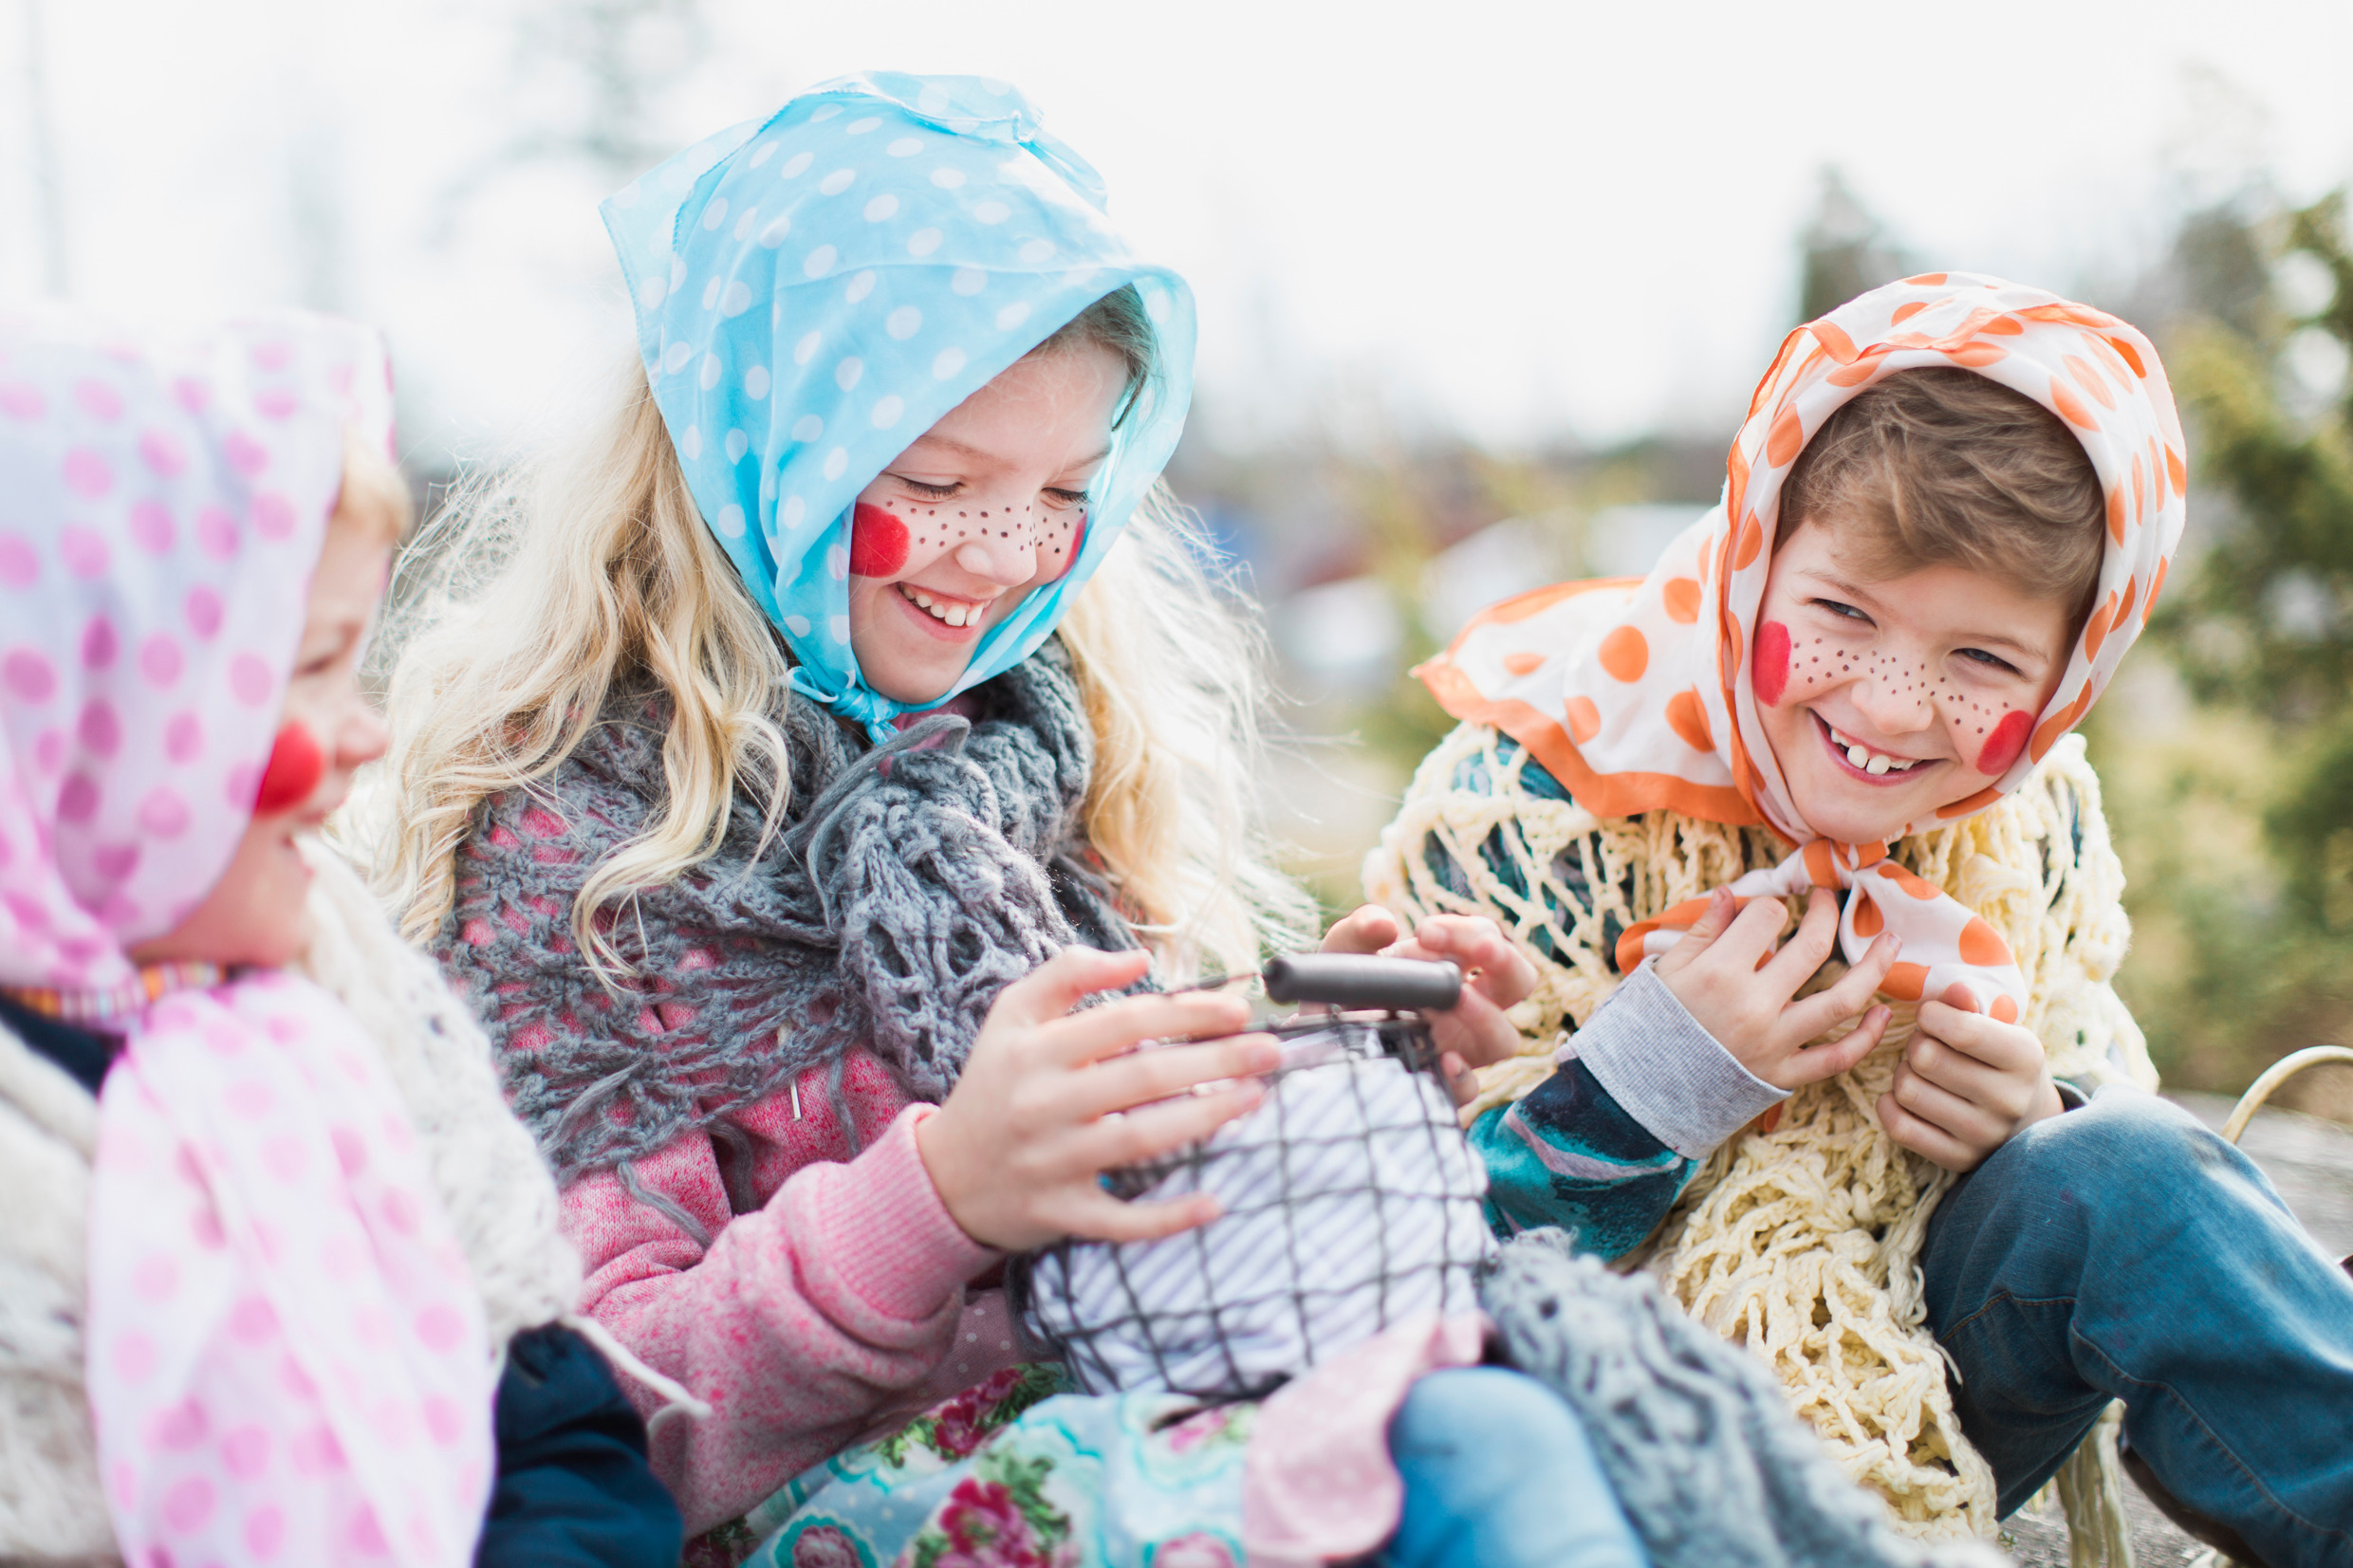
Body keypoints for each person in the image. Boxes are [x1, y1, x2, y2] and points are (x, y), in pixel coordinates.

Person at [371, 73, 1650, 1568]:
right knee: (1485, 1441)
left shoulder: (1035, 759)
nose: (1004, 557)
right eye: (935, 482)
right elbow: (595, 1410)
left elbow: (1148, 1198)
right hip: (853, 1514)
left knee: (1548, 1409)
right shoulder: (576, 852)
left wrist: (1303, 1063)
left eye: (1064, 495)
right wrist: (943, 1194)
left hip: (1136, 1417)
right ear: (750, 447)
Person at [1364, 274, 2353, 1563]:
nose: (1892, 709)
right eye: (1842, 614)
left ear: (2071, 672)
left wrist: (2033, 1116)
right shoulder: (1536, 795)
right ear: (1753, 559)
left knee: (2130, 1167)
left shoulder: (2025, 814)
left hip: (1921, 1392)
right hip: (1582, 1421)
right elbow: (1389, 1248)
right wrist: (1648, 1080)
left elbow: (2091, 1076)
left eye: (1984, 662)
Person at [0, 308, 681, 1565]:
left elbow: (555, 1435)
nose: (364, 734)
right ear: (77, 719)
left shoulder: (356, 1009)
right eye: (307, 670)